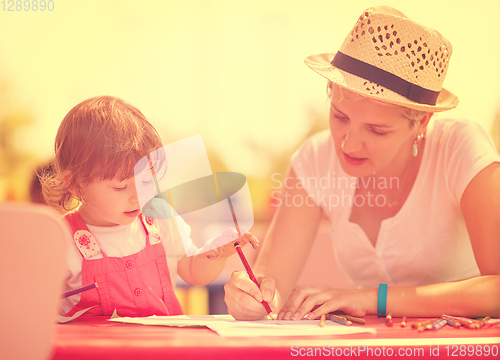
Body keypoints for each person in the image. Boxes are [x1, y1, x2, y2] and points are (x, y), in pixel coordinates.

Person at [224, 6, 500, 321]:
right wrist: (250, 296)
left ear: (421, 122)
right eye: (340, 116)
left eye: (377, 130)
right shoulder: (314, 159)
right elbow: (270, 285)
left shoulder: (460, 148)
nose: (348, 143)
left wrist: (371, 299)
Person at [41, 95, 258, 317]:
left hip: (162, 349)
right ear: (75, 185)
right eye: (120, 187)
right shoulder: (58, 239)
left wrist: (218, 252)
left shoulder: (162, 219)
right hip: (94, 352)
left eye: (146, 182)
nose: (138, 197)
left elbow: (193, 271)